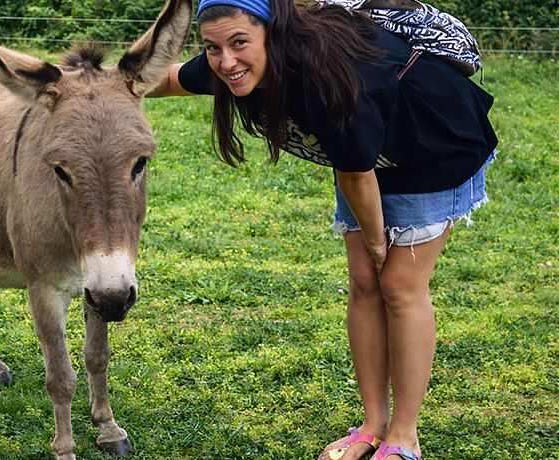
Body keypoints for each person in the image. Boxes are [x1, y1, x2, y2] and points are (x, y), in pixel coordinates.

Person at [148, 0, 498, 458]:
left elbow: (356, 176)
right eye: (213, 48)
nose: (226, 62)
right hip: (362, 155)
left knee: (397, 284)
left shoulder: (325, 77)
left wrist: (377, 241)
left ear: (273, 33)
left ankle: (403, 436)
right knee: (362, 283)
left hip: (432, 147)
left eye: (238, 44)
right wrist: (82, 84)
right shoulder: (232, 64)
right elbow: (170, 79)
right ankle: (373, 424)